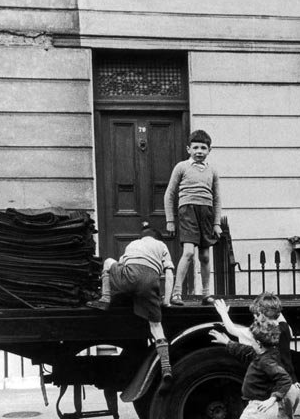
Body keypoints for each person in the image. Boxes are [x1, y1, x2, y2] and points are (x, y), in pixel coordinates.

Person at [213, 293, 300, 419]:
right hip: (294, 388)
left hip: (279, 391)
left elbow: (232, 330)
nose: (254, 318)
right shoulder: (282, 329)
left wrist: (222, 313)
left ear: (262, 315)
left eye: (257, 315)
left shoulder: (260, 337)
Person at [87, 224, 175, 394]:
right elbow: (169, 273)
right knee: (156, 327)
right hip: (150, 281)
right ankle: (166, 368)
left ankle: (105, 299)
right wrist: (166, 300)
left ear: (143, 237)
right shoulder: (161, 246)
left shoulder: (132, 244)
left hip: (128, 277)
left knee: (108, 263)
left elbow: (119, 266)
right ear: (157, 238)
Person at [164, 129, 222, 306]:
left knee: (204, 256)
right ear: (188, 149)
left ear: (209, 150)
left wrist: (217, 223)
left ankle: (206, 294)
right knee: (188, 252)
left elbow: (217, 198)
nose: (199, 151)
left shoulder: (212, 170)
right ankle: (176, 293)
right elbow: (169, 194)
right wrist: (170, 220)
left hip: (206, 214)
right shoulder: (181, 167)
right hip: (187, 211)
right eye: (195, 147)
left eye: (203, 148)